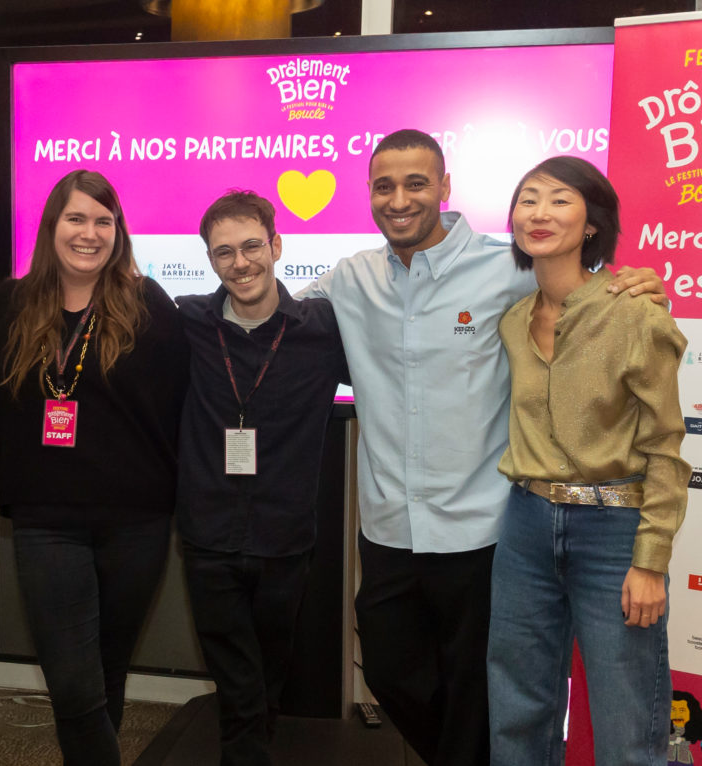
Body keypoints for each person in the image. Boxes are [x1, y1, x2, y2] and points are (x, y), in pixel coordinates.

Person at [298, 129, 665, 766]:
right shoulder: (351, 278)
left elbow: (583, 295)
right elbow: (272, 321)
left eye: (417, 183)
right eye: (384, 185)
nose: (400, 198)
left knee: (487, 689)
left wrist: (633, 281)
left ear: (445, 187)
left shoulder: (508, 270)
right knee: (388, 670)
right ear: (369, 194)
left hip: (484, 529)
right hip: (388, 526)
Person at [0, 169, 189, 766]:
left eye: (104, 221)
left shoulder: (147, 304)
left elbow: (180, 399)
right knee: (73, 682)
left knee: (105, 672)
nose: (90, 233)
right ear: (52, 226)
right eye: (76, 218)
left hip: (137, 521)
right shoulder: (11, 306)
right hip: (46, 521)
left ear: (118, 232)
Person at [487, 156, 688, 766]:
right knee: (518, 713)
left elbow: (665, 447)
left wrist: (650, 560)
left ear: (593, 222)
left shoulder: (633, 312)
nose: (539, 213)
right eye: (528, 199)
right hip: (524, 526)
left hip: (614, 529)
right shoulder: (515, 321)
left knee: (629, 723)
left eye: (559, 199)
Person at [176, 190, 348, 765]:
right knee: (235, 670)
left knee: (267, 669)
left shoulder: (323, 329)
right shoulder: (190, 322)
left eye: (252, 246)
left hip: (285, 535)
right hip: (207, 534)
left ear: (277, 245)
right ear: (209, 259)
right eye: (223, 252)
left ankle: (252, 743)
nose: (241, 263)